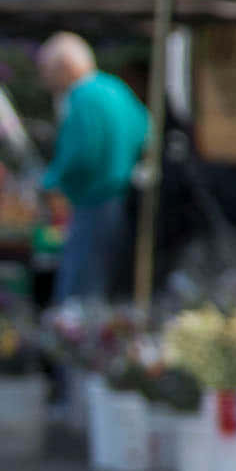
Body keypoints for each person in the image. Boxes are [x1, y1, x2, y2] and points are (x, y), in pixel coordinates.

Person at [37, 32, 149, 303]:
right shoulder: (115, 87)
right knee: (107, 290)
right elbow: (146, 133)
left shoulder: (81, 97)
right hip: (124, 199)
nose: (46, 81)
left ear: (65, 67)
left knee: (80, 293)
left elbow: (79, 153)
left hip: (94, 201)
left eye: (47, 72)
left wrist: (50, 182)